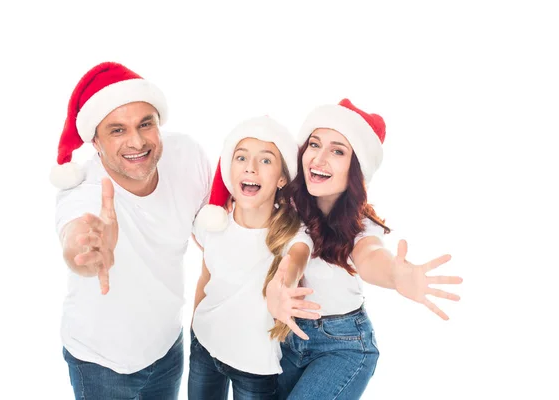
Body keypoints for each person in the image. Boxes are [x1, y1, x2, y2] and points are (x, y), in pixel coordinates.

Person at [266, 98, 463, 399]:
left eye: (338, 151)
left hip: (343, 345)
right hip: (288, 337)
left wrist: (398, 276)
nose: (319, 159)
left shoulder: (361, 224)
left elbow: (371, 256)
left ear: (356, 168)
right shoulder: (288, 203)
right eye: (314, 145)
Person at [50, 61, 211, 399]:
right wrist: (89, 251)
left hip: (166, 346)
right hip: (102, 363)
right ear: (96, 142)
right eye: (117, 130)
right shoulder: (84, 191)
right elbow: (75, 242)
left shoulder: (185, 155)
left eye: (145, 124)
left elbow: (210, 233)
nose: (136, 142)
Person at [187, 116, 316, 399]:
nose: (250, 167)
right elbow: (205, 279)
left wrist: (283, 284)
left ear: (282, 177)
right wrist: (196, 326)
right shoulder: (213, 224)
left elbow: (295, 262)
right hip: (204, 346)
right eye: (241, 157)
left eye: (266, 161)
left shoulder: (293, 234)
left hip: (254, 366)